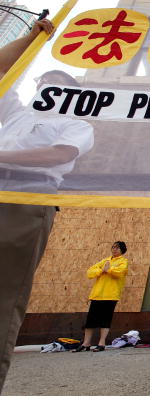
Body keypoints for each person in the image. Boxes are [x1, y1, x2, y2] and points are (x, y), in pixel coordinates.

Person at [0, 19, 94, 390]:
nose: (47, 88)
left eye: (57, 85)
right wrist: (34, 38)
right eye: (43, 82)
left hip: (26, 201)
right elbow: (3, 69)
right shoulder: (15, 113)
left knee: (4, 295)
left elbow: (58, 155)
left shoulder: (75, 123)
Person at [72, 242, 129, 352]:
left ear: (122, 250)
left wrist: (109, 270)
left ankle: (101, 343)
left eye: (118, 248)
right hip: (97, 295)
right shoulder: (105, 260)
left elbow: (120, 273)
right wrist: (101, 270)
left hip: (111, 295)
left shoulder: (123, 261)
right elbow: (90, 272)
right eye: (113, 247)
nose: (115, 249)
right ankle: (86, 343)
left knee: (105, 320)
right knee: (90, 320)